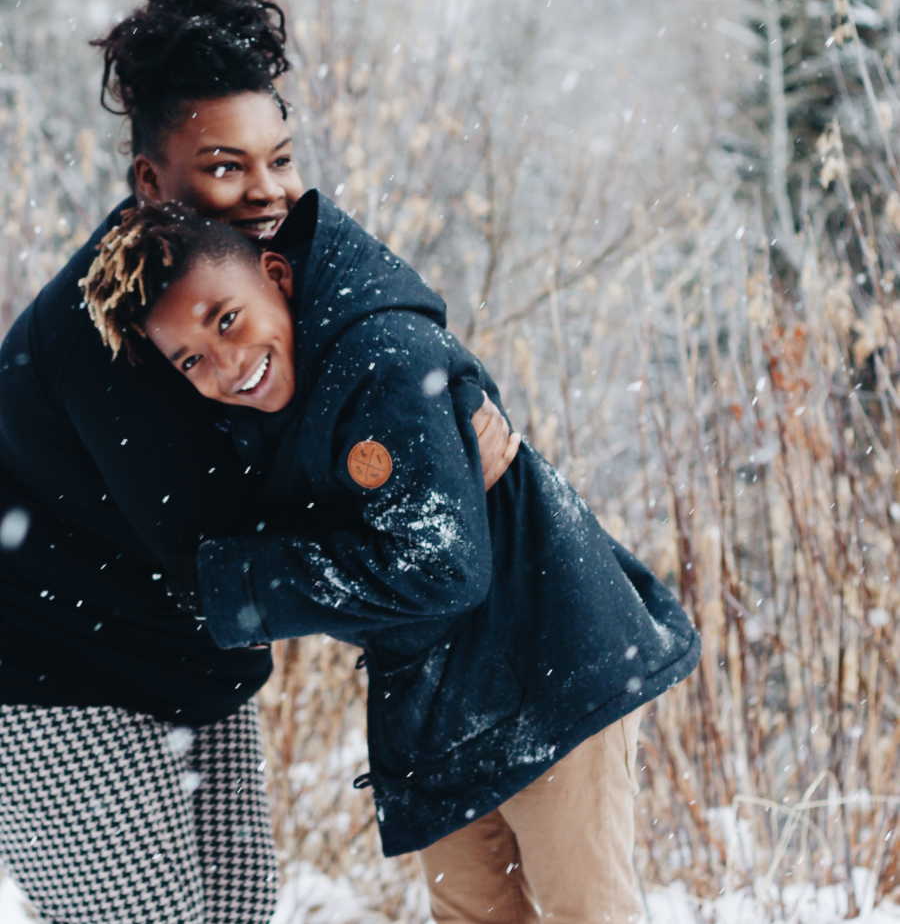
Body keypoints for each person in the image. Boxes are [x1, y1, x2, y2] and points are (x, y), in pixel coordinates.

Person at [0, 0, 516, 924]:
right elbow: (218, 543)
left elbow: (363, 344)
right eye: (225, 167)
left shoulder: (241, 277)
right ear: (151, 179)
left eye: (279, 157)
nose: (268, 189)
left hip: (187, 663)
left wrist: (448, 409)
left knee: (236, 910)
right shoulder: (112, 332)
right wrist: (413, 495)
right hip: (43, 675)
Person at [82, 191, 702, 924]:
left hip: (550, 658)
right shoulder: (261, 410)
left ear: (276, 274)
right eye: (193, 357)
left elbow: (440, 565)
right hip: (436, 696)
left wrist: (243, 583)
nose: (228, 362)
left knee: (586, 912)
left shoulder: (383, 357)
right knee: (471, 913)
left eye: (228, 318)